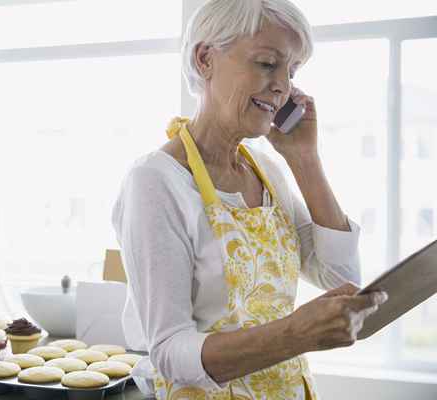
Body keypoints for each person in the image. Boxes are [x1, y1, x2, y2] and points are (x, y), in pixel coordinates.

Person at [111, 0, 389, 399]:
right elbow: (169, 350)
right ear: (205, 58)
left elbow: (341, 278)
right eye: (267, 63)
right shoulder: (155, 182)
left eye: (292, 71)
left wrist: (304, 159)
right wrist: (295, 333)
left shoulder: (267, 171)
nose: (283, 85)